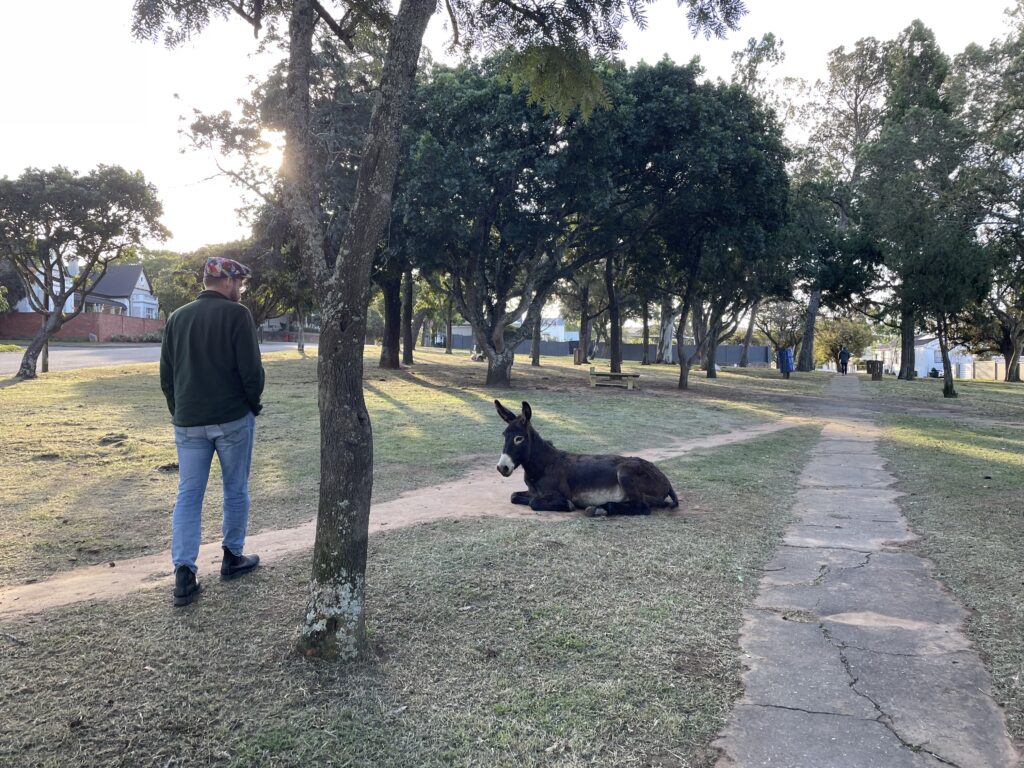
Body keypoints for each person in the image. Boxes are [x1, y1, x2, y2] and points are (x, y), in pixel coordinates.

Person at [160, 256, 265, 607]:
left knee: (188, 494)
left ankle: (184, 574)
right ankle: (231, 558)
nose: (241, 289)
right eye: (240, 283)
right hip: (232, 417)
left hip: (188, 421)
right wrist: (252, 404)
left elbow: (167, 375)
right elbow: (251, 371)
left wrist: (180, 411)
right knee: (235, 489)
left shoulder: (177, 317)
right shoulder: (238, 315)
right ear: (228, 281)